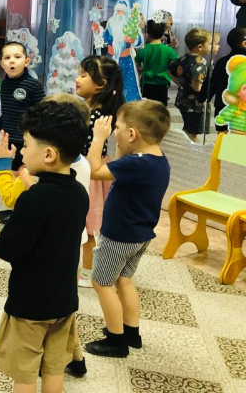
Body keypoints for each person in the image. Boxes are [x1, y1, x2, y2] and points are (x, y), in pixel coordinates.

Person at [0, 100, 89, 393]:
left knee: (25, 374)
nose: (21, 152)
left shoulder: (34, 198)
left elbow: (9, 249)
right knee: (53, 368)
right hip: (64, 300)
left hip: (31, 304)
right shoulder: (78, 192)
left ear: (48, 154)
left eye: (26, 145)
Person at [84, 101, 172, 358]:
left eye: (118, 128)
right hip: (140, 235)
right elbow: (119, 166)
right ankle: (132, 332)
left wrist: (98, 138)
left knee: (101, 283)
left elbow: (94, 170)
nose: (114, 133)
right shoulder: (158, 160)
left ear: (132, 134)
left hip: (119, 236)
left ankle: (116, 340)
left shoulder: (135, 163)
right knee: (124, 280)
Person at [74, 56, 124, 287]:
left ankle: (88, 273)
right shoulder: (92, 109)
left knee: (89, 226)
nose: (77, 79)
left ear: (101, 84)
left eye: (83, 75)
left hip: (90, 171)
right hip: (87, 167)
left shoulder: (97, 114)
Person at [0, 41, 45, 172]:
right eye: (7, 57)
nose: (12, 61)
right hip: (7, 138)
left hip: (26, 140)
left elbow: (43, 113)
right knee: (7, 169)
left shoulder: (34, 85)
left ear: (26, 61)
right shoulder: (5, 84)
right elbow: (8, 112)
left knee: (21, 172)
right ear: (1, 64)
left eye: (17, 57)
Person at [169, 28, 213, 143]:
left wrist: (177, 81)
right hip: (195, 104)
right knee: (193, 131)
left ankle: (183, 142)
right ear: (200, 46)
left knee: (188, 125)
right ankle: (190, 147)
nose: (211, 46)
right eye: (209, 43)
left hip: (182, 98)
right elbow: (197, 87)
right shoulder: (200, 62)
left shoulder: (184, 58)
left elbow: (169, 69)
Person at [209, 28, 246, 132]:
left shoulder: (221, 61)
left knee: (223, 135)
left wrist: (202, 98)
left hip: (222, 104)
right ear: (244, 43)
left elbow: (212, 82)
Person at [135, 20, 178, 106]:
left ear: (148, 34)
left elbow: (136, 66)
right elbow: (176, 65)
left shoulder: (143, 51)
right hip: (162, 83)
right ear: (162, 34)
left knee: (146, 107)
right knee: (160, 107)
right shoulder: (169, 51)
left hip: (146, 83)